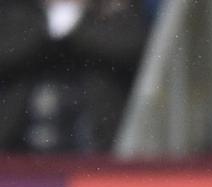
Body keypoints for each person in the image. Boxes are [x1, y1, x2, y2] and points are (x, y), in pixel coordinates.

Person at [0, 0, 148, 153]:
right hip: (18, 154)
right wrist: (46, 26)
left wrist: (76, 26)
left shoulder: (115, 9)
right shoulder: (14, 10)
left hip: (95, 153)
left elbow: (133, 47)